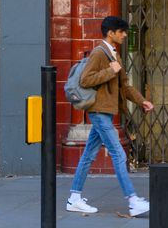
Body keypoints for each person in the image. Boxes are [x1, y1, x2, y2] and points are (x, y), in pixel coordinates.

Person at [66, 16, 154, 217]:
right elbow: (85, 79)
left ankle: (74, 198)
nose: (124, 35)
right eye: (121, 31)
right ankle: (133, 200)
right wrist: (109, 71)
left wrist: (141, 101)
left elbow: (125, 86)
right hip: (98, 112)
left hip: (104, 112)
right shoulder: (99, 53)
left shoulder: (114, 54)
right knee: (118, 154)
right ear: (110, 33)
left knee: (88, 155)